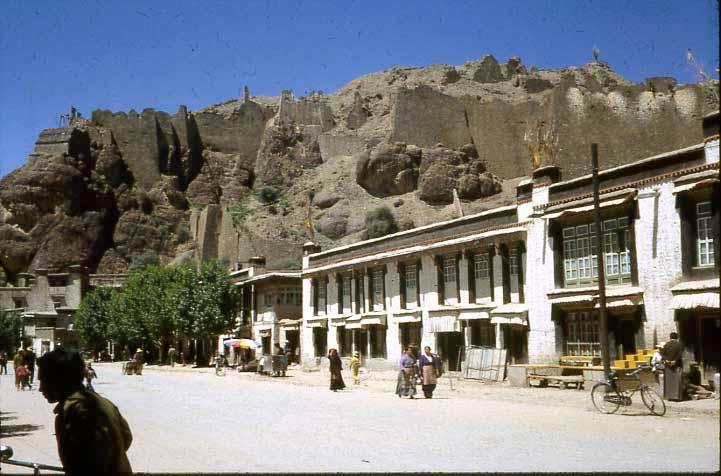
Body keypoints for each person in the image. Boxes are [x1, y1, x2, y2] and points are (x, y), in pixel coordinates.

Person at [37, 348, 133, 475]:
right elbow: (126, 438)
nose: (40, 388)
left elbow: (88, 464)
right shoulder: (101, 401)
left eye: (44, 381)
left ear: (60, 380)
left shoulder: (75, 411)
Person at [661, 332, 684, 401]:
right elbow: (680, 354)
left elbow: (662, 354)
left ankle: (669, 397)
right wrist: (675, 361)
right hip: (677, 366)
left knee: (669, 381)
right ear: (677, 337)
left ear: (670, 337)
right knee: (677, 381)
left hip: (668, 366)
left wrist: (667, 360)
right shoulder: (679, 344)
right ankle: (677, 397)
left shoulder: (666, 344)